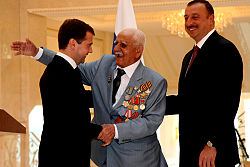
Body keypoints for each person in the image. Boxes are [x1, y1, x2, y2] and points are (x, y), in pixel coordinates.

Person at [11, 28, 168, 167]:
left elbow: (151, 122)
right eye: (116, 43)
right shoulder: (105, 64)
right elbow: (69, 65)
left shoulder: (154, 81)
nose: (116, 49)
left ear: (138, 51)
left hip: (138, 159)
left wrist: (115, 130)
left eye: (123, 45)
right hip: (102, 156)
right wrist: (38, 53)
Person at [12, 19, 103, 166]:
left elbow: (79, 100)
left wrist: (112, 96)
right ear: (73, 43)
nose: (91, 50)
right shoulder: (60, 72)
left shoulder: (66, 69)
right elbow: (69, 122)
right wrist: (101, 130)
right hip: (62, 157)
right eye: (89, 44)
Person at [165, 0, 243, 167]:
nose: (189, 23)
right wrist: (145, 105)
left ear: (211, 19)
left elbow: (228, 102)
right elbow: (184, 101)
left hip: (212, 153)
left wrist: (212, 143)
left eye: (195, 17)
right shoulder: (188, 56)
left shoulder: (225, 50)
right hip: (190, 151)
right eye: (186, 18)